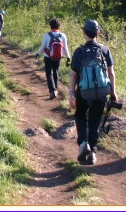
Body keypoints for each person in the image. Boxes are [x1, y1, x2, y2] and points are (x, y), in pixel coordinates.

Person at [69, 19, 117, 165]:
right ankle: (93, 154)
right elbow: (111, 73)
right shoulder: (104, 50)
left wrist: (72, 93)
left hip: (83, 92)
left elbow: (73, 74)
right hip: (101, 92)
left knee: (80, 115)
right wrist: (113, 92)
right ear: (98, 33)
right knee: (95, 121)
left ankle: (83, 143)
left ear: (84, 32)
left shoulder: (79, 51)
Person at [37, 18, 71, 99]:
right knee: (56, 72)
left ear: (50, 26)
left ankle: (52, 90)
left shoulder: (47, 35)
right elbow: (65, 48)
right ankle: (55, 89)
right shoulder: (63, 35)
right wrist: (68, 58)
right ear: (59, 26)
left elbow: (43, 46)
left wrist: (38, 54)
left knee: (49, 74)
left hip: (48, 57)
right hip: (58, 57)